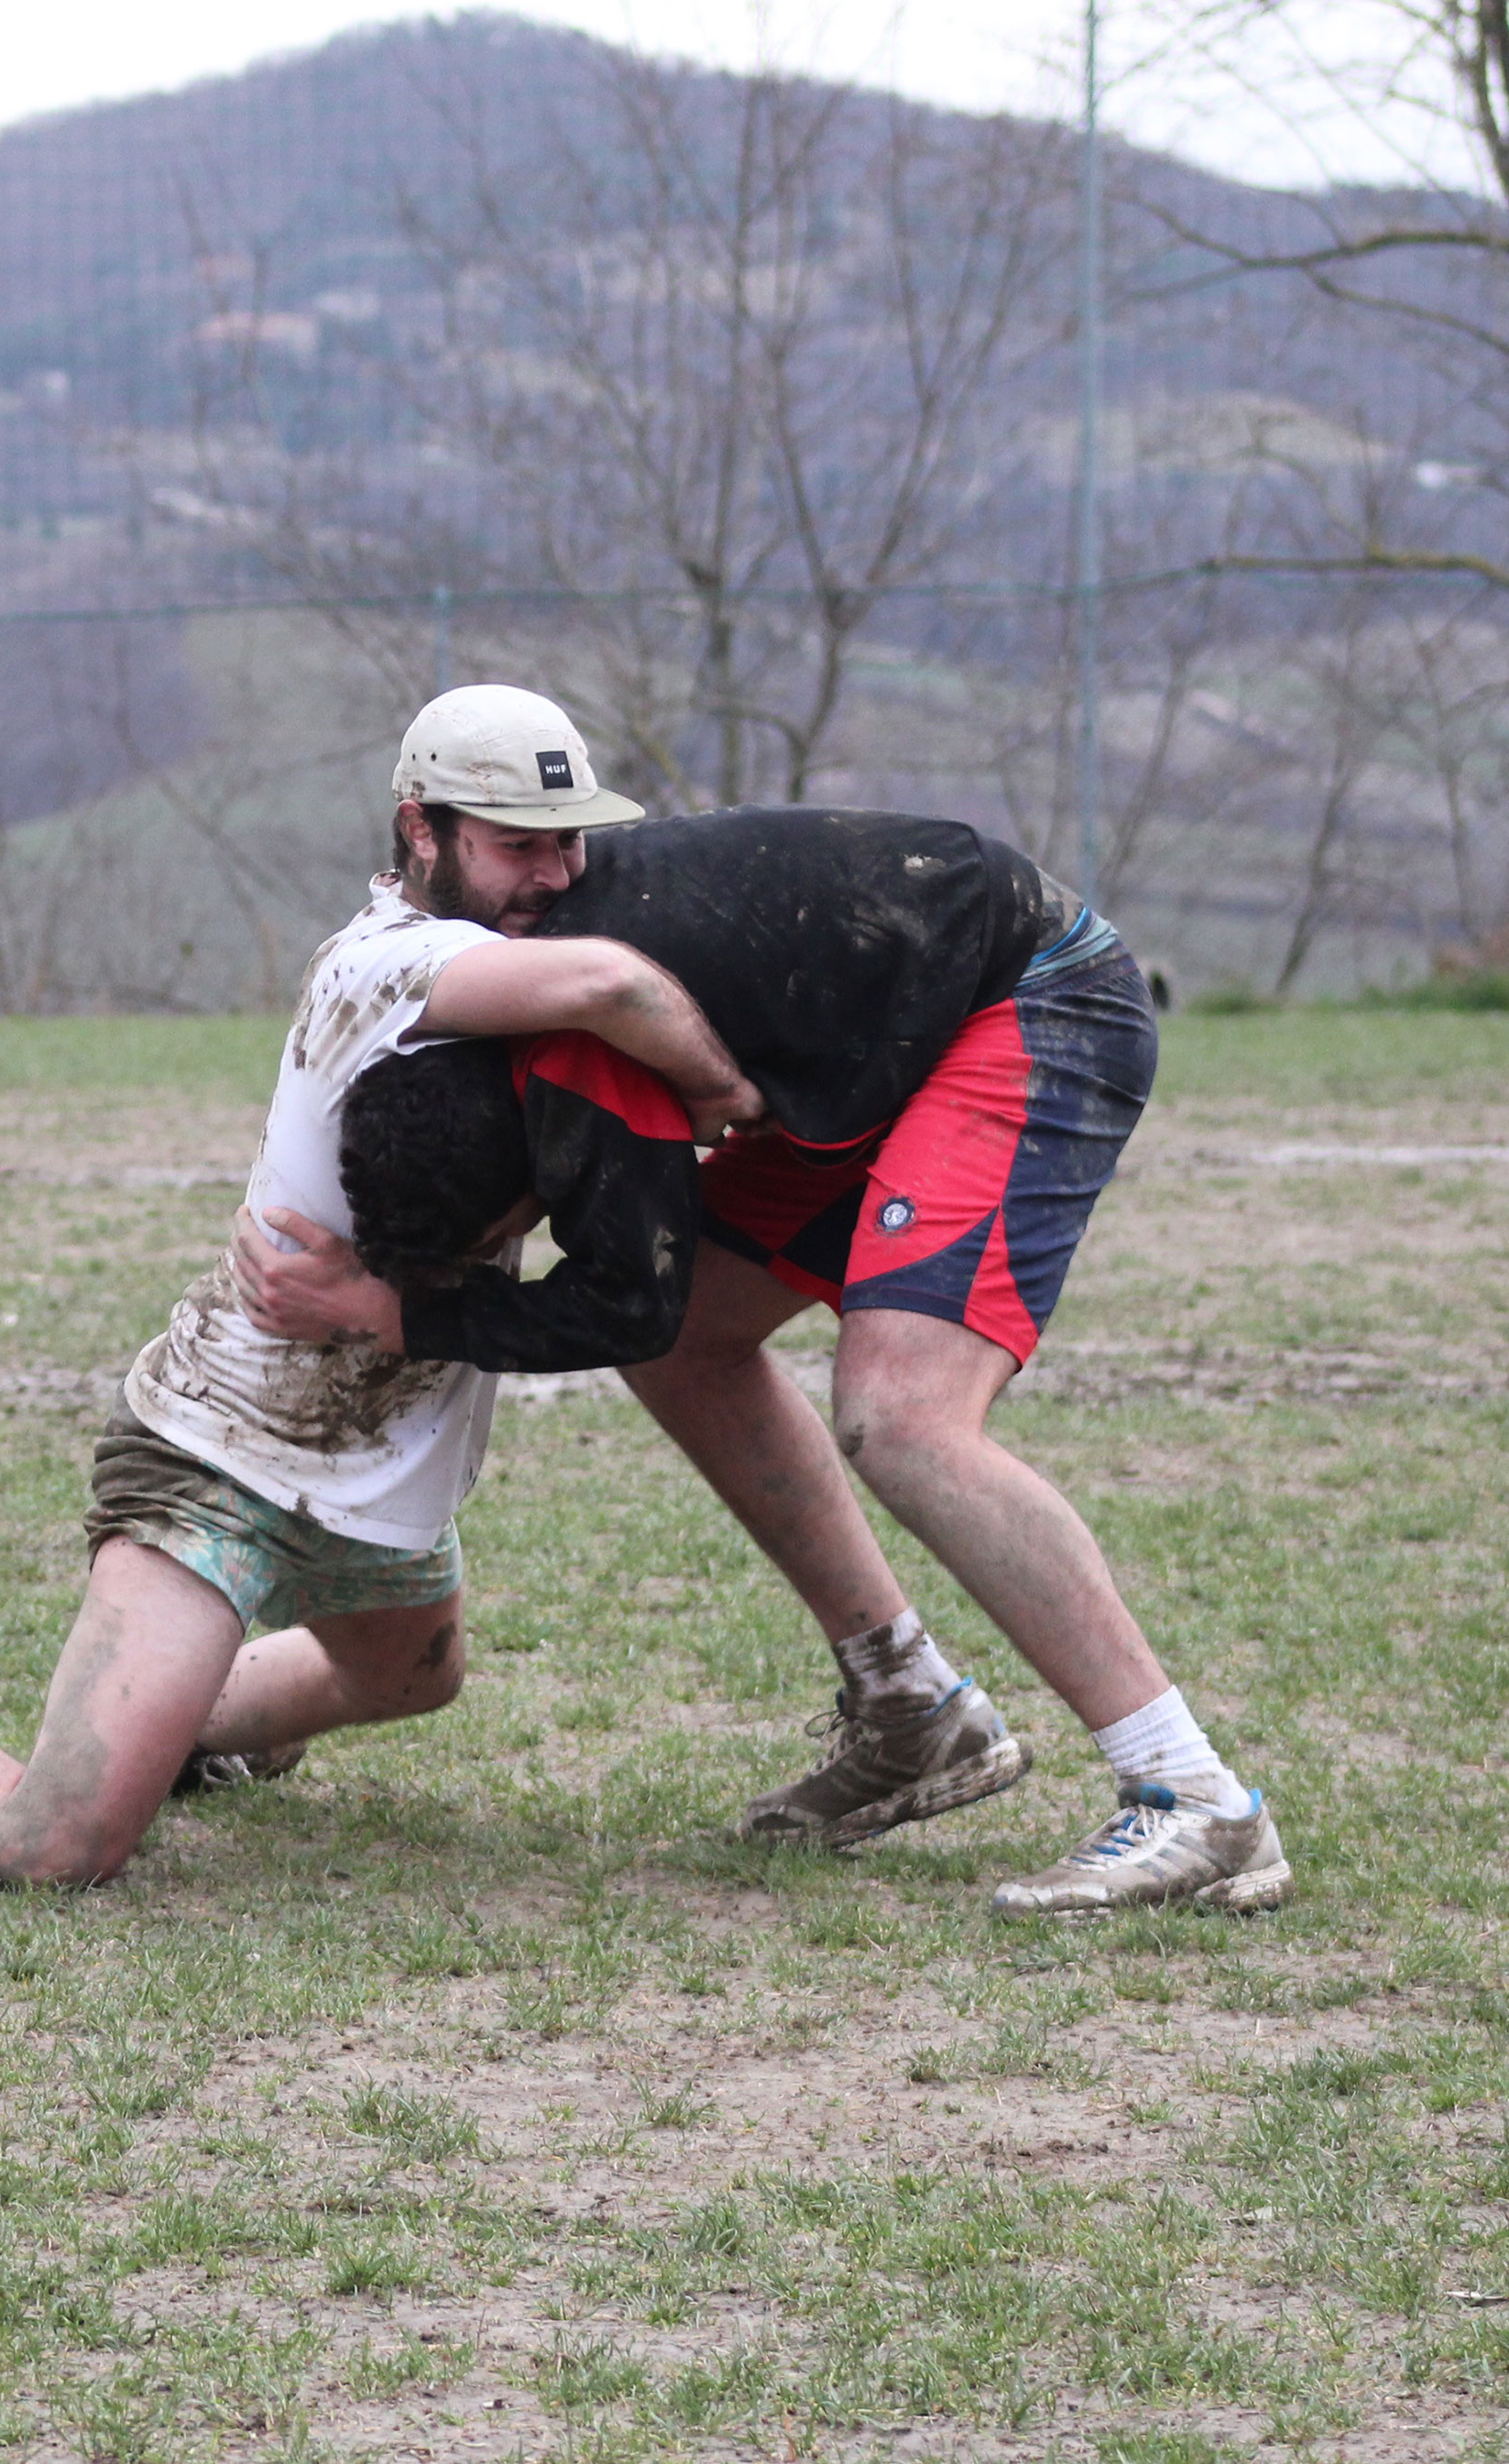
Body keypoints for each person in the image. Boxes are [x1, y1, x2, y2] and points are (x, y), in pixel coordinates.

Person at [0, 686, 742, 1883]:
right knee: (54, 1842)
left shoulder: (503, 959)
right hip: (225, 1446)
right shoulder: (387, 964)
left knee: (411, 1673)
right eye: (515, 844)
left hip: (371, 1454)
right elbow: (614, 989)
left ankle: (176, 1732)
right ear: (419, 829)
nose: (553, 874)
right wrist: (730, 1099)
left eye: (569, 839)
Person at [232, 802, 1289, 1918]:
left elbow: (619, 1305)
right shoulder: (509, 1034)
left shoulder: (580, 1072)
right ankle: (909, 1705)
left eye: (494, 1233)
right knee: (695, 1338)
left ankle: (1192, 1796)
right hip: (890, 1027)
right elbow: (652, 1307)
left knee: (903, 1417)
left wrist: (402, 1319)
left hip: (1027, 996)